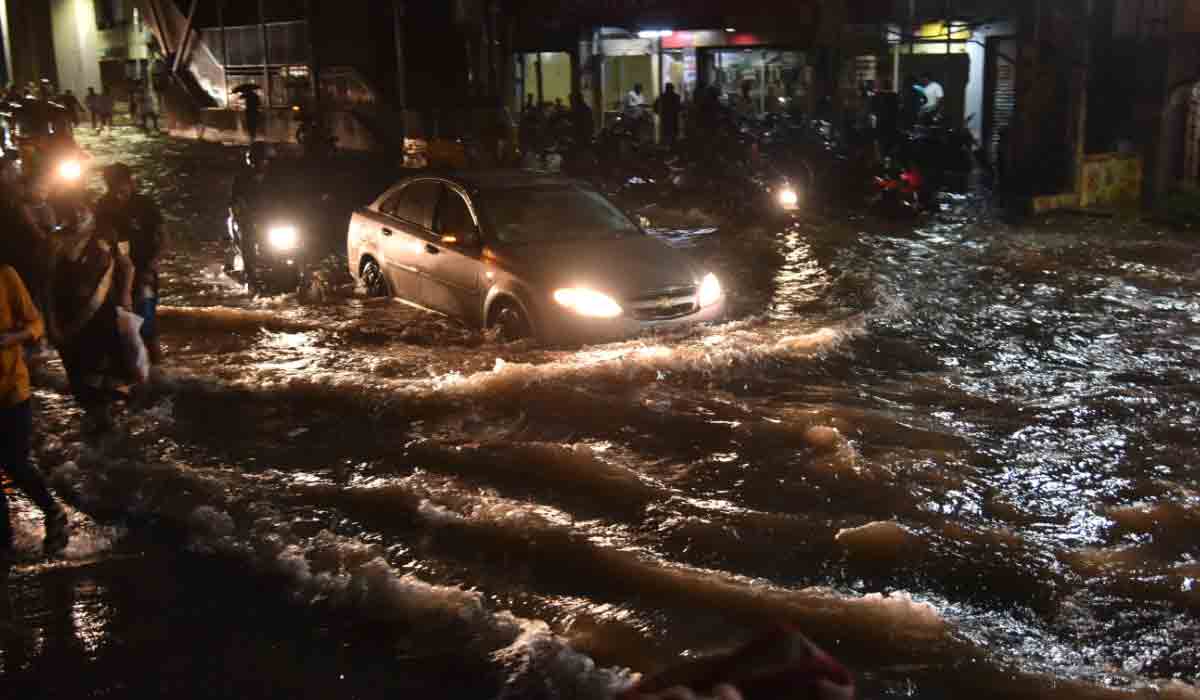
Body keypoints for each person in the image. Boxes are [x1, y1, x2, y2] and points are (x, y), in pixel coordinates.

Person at [1, 265, 70, 559]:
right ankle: (5, 544)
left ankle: (53, 511)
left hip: (11, 389)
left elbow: (35, 324)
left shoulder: (5, 276)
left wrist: (12, 339)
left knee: (14, 461)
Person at [95, 163, 166, 364]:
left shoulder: (145, 204)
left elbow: (163, 238)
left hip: (144, 271)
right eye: (112, 187)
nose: (118, 193)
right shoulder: (103, 206)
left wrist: (153, 265)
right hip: (114, 273)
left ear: (130, 183)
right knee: (119, 327)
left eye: (121, 187)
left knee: (147, 325)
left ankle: (159, 372)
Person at [229, 142, 275, 294]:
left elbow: (285, 196)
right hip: (247, 219)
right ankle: (250, 275)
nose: (261, 163)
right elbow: (235, 200)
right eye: (258, 159)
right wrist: (241, 214)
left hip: (269, 219)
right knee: (248, 240)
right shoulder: (242, 178)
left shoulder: (274, 178)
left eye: (263, 159)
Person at [654, 83, 682, 148]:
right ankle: (672, 148)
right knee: (672, 135)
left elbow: (655, 106)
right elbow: (679, 107)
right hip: (672, 119)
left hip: (666, 119)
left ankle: (668, 148)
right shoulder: (676, 97)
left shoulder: (662, 96)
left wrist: (659, 113)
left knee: (667, 135)